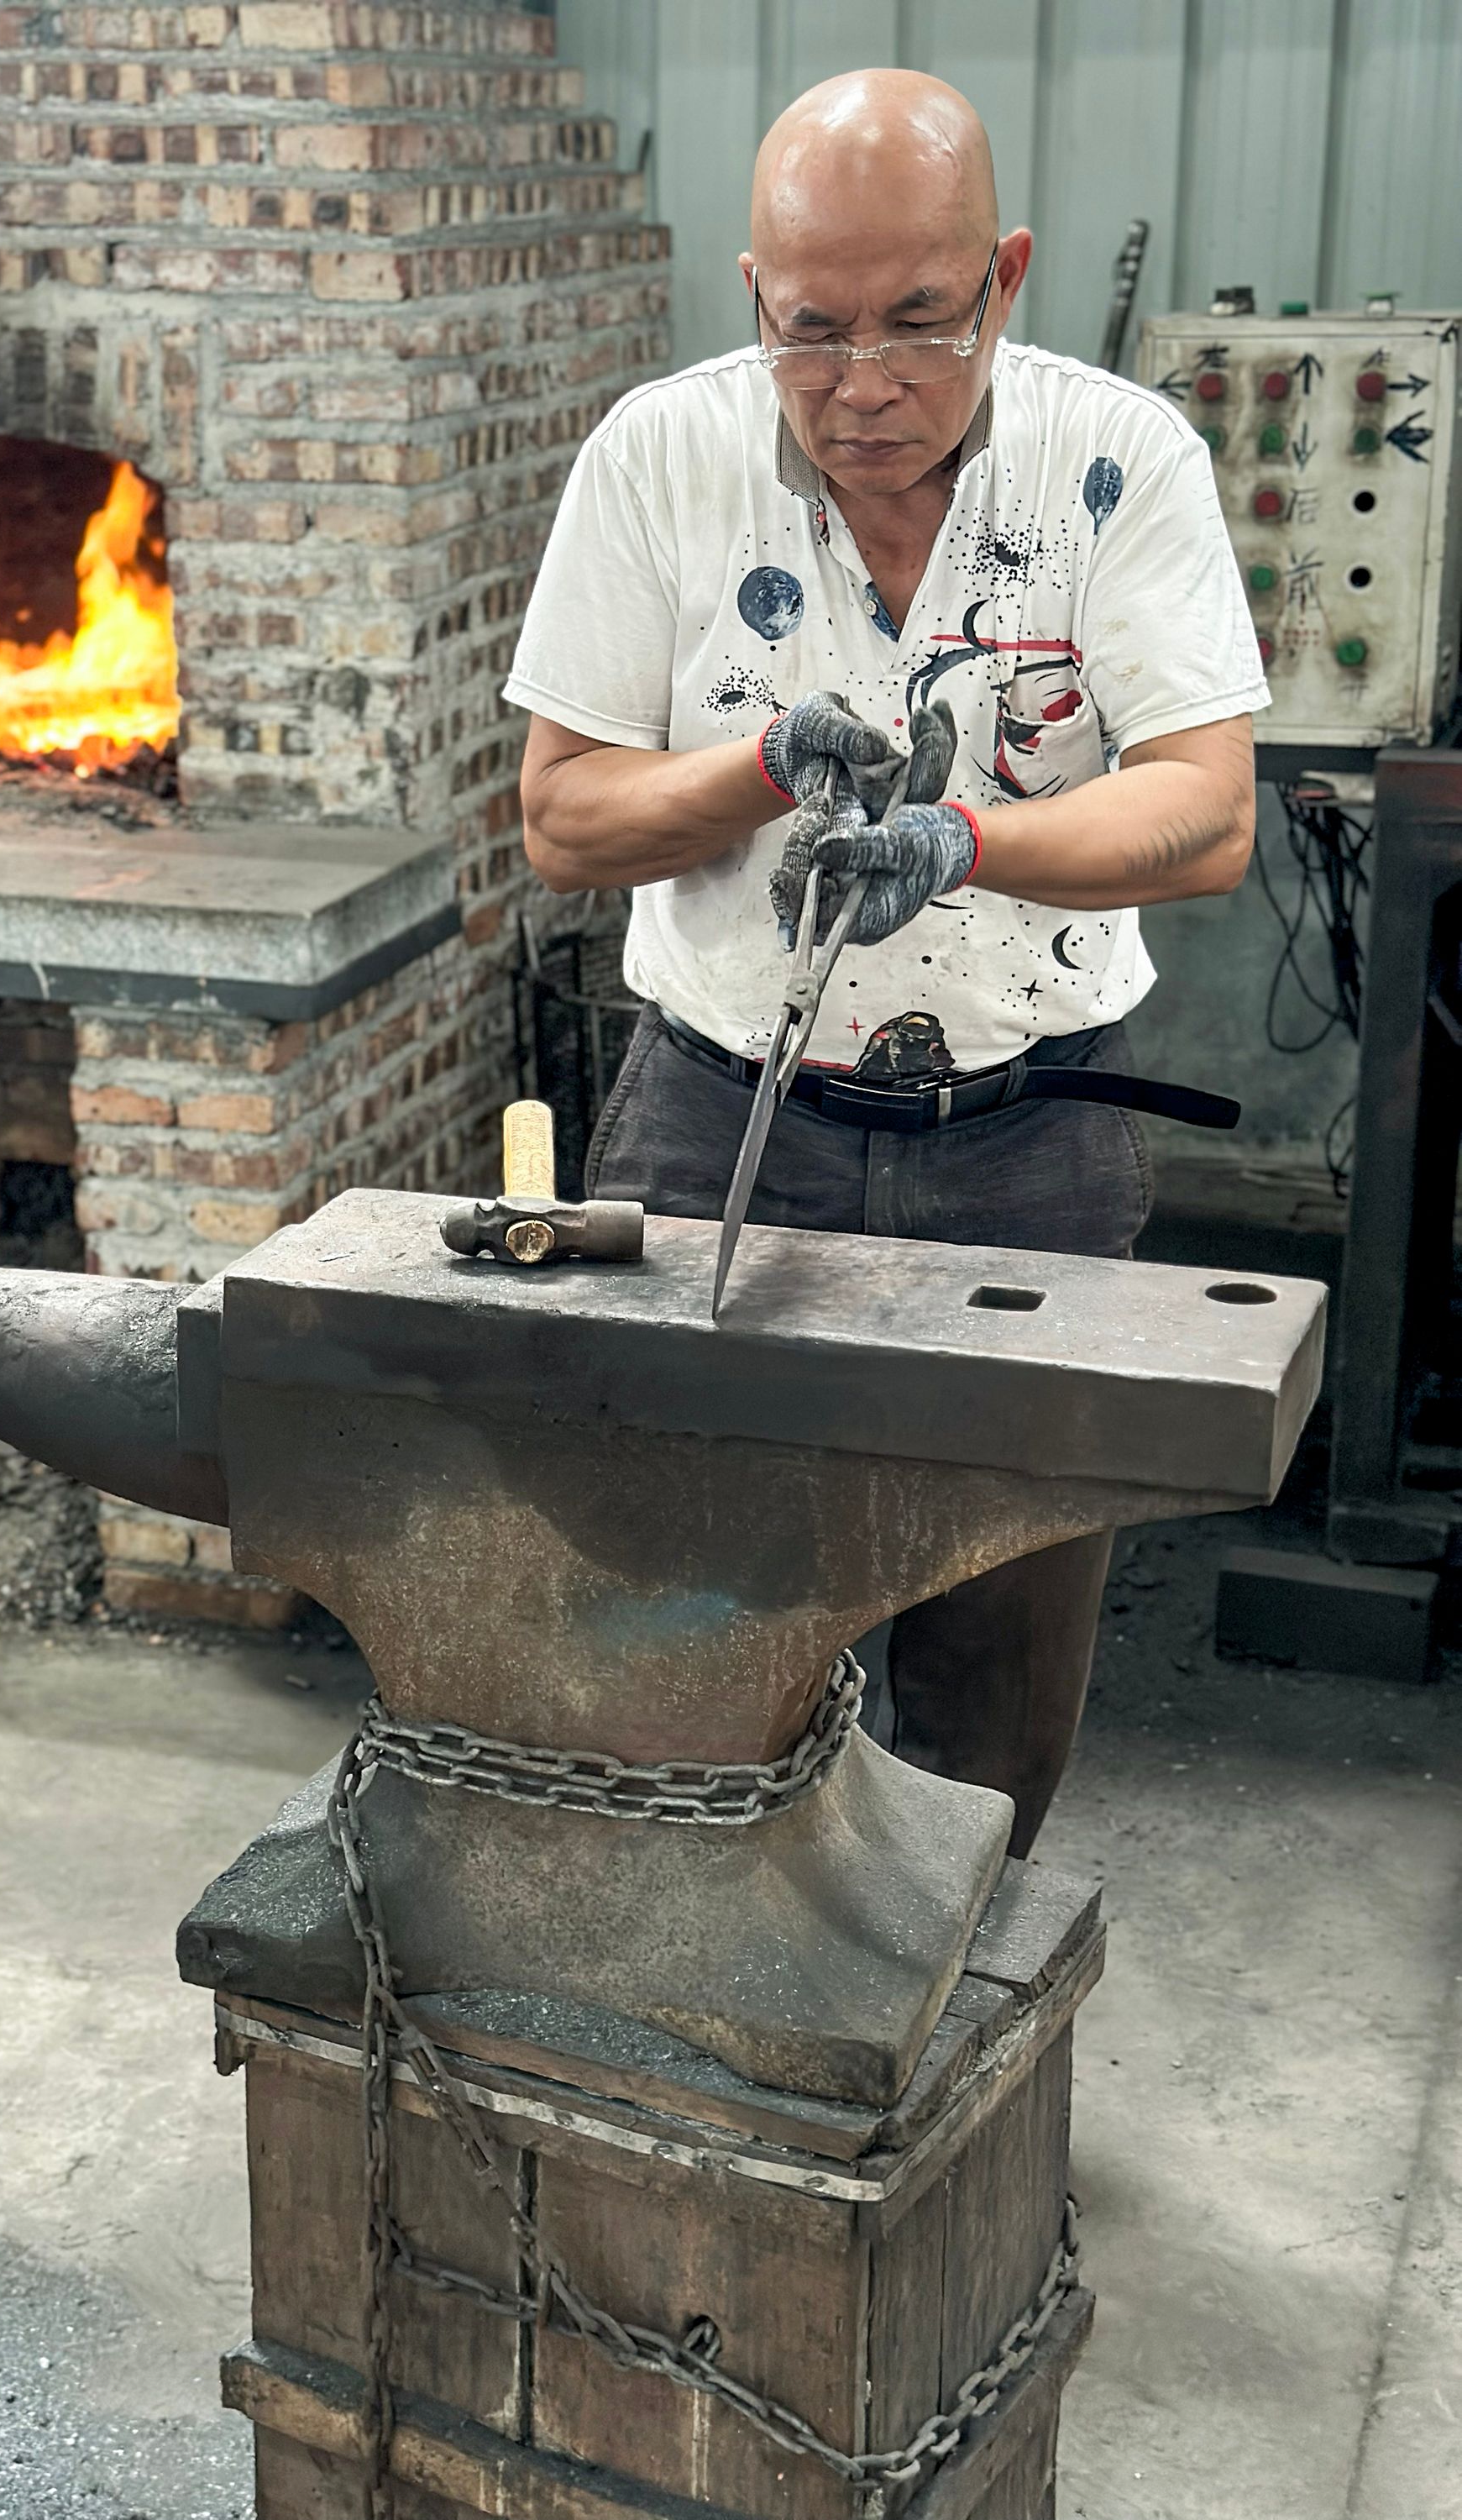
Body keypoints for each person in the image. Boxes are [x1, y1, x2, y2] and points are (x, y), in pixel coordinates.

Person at [501, 68, 1267, 1855]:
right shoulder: (661, 458)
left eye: (921, 322)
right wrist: (759, 768)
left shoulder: (1117, 461)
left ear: (1005, 274)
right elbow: (563, 819)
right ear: (753, 296)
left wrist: (967, 841)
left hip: (1031, 1138)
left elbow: (1207, 813)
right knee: (693, 1626)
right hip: (721, 1125)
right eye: (810, 328)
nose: (862, 383)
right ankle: (709, 1971)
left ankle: (945, 1972)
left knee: (996, 1660)